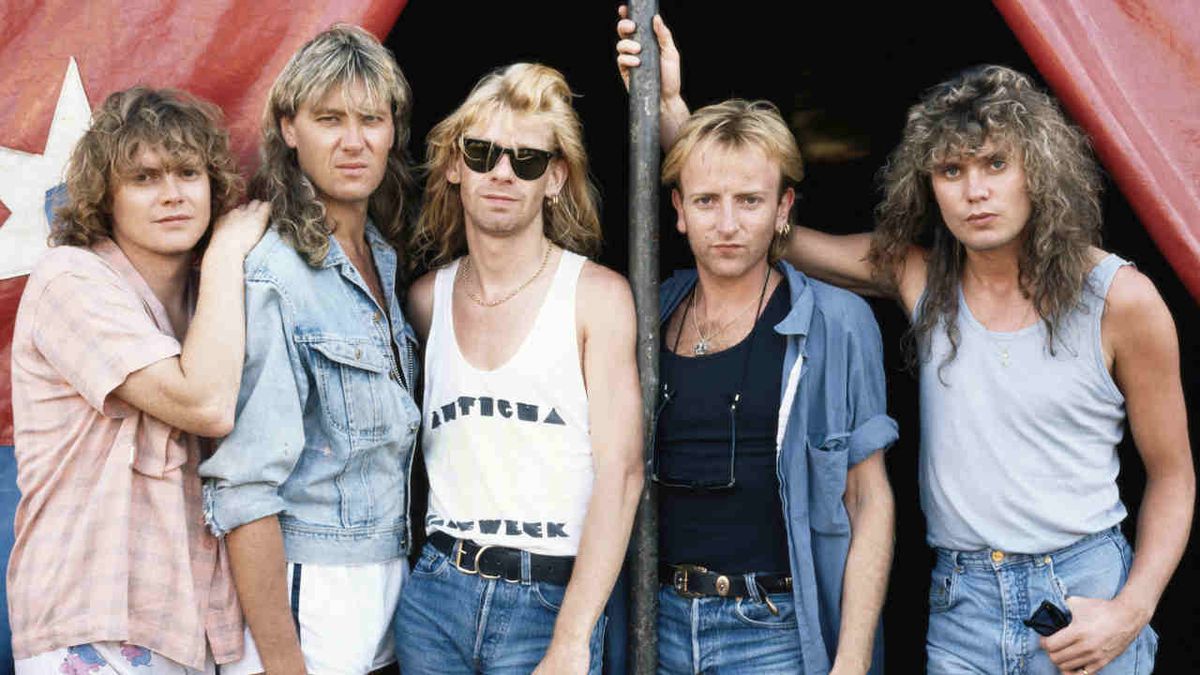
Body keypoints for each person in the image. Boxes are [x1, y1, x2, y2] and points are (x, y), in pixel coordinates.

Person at [618, 10, 1194, 675]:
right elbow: (748, 231)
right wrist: (670, 113)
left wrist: (1134, 607)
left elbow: (1174, 475)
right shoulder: (920, 278)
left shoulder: (1120, 299)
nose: (974, 190)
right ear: (928, 185)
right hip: (963, 601)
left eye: (995, 164)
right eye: (951, 170)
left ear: (1037, 169)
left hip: (1083, 589)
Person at [8, 86, 268, 674]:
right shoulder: (70, 280)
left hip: (196, 623)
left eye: (187, 172)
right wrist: (228, 250)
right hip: (96, 621)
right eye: (145, 178)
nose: (173, 195)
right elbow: (204, 404)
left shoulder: (212, 302)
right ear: (107, 197)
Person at [394, 62, 643, 674]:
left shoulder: (597, 297)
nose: (502, 173)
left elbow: (624, 473)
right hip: (435, 594)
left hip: (549, 597)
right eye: (481, 153)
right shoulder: (426, 300)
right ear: (455, 165)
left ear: (555, 177)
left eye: (527, 160)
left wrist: (572, 637)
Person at [198, 25, 421, 675]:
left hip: (381, 590)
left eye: (370, 120)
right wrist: (280, 659)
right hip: (307, 595)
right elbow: (244, 489)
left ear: (391, 131)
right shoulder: (276, 274)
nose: (353, 141)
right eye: (329, 119)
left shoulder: (383, 255)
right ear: (290, 129)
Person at [653, 98, 896, 674]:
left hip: (772, 630)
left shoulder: (836, 323)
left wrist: (853, 658)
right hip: (657, 623)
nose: (729, 224)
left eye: (750, 201)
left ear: (783, 207)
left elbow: (869, 499)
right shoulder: (649, 311)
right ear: (680, 210)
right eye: (708, 201)